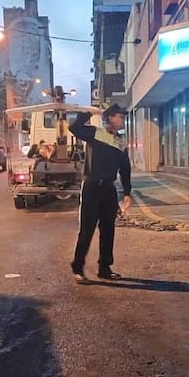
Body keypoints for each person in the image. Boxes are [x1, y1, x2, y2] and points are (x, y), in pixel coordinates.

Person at [68, 103, 132, 282]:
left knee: (108, 230)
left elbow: (125, 169)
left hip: (108, 189)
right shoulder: (96, 133)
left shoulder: (120, 142)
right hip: (92, 187)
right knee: (87, 229)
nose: (123, 120)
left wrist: (127, 193)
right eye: (120, 116)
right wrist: (90, 112)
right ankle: (77, 267)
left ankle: (105, 267)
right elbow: (74, 127)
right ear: (110, 118)